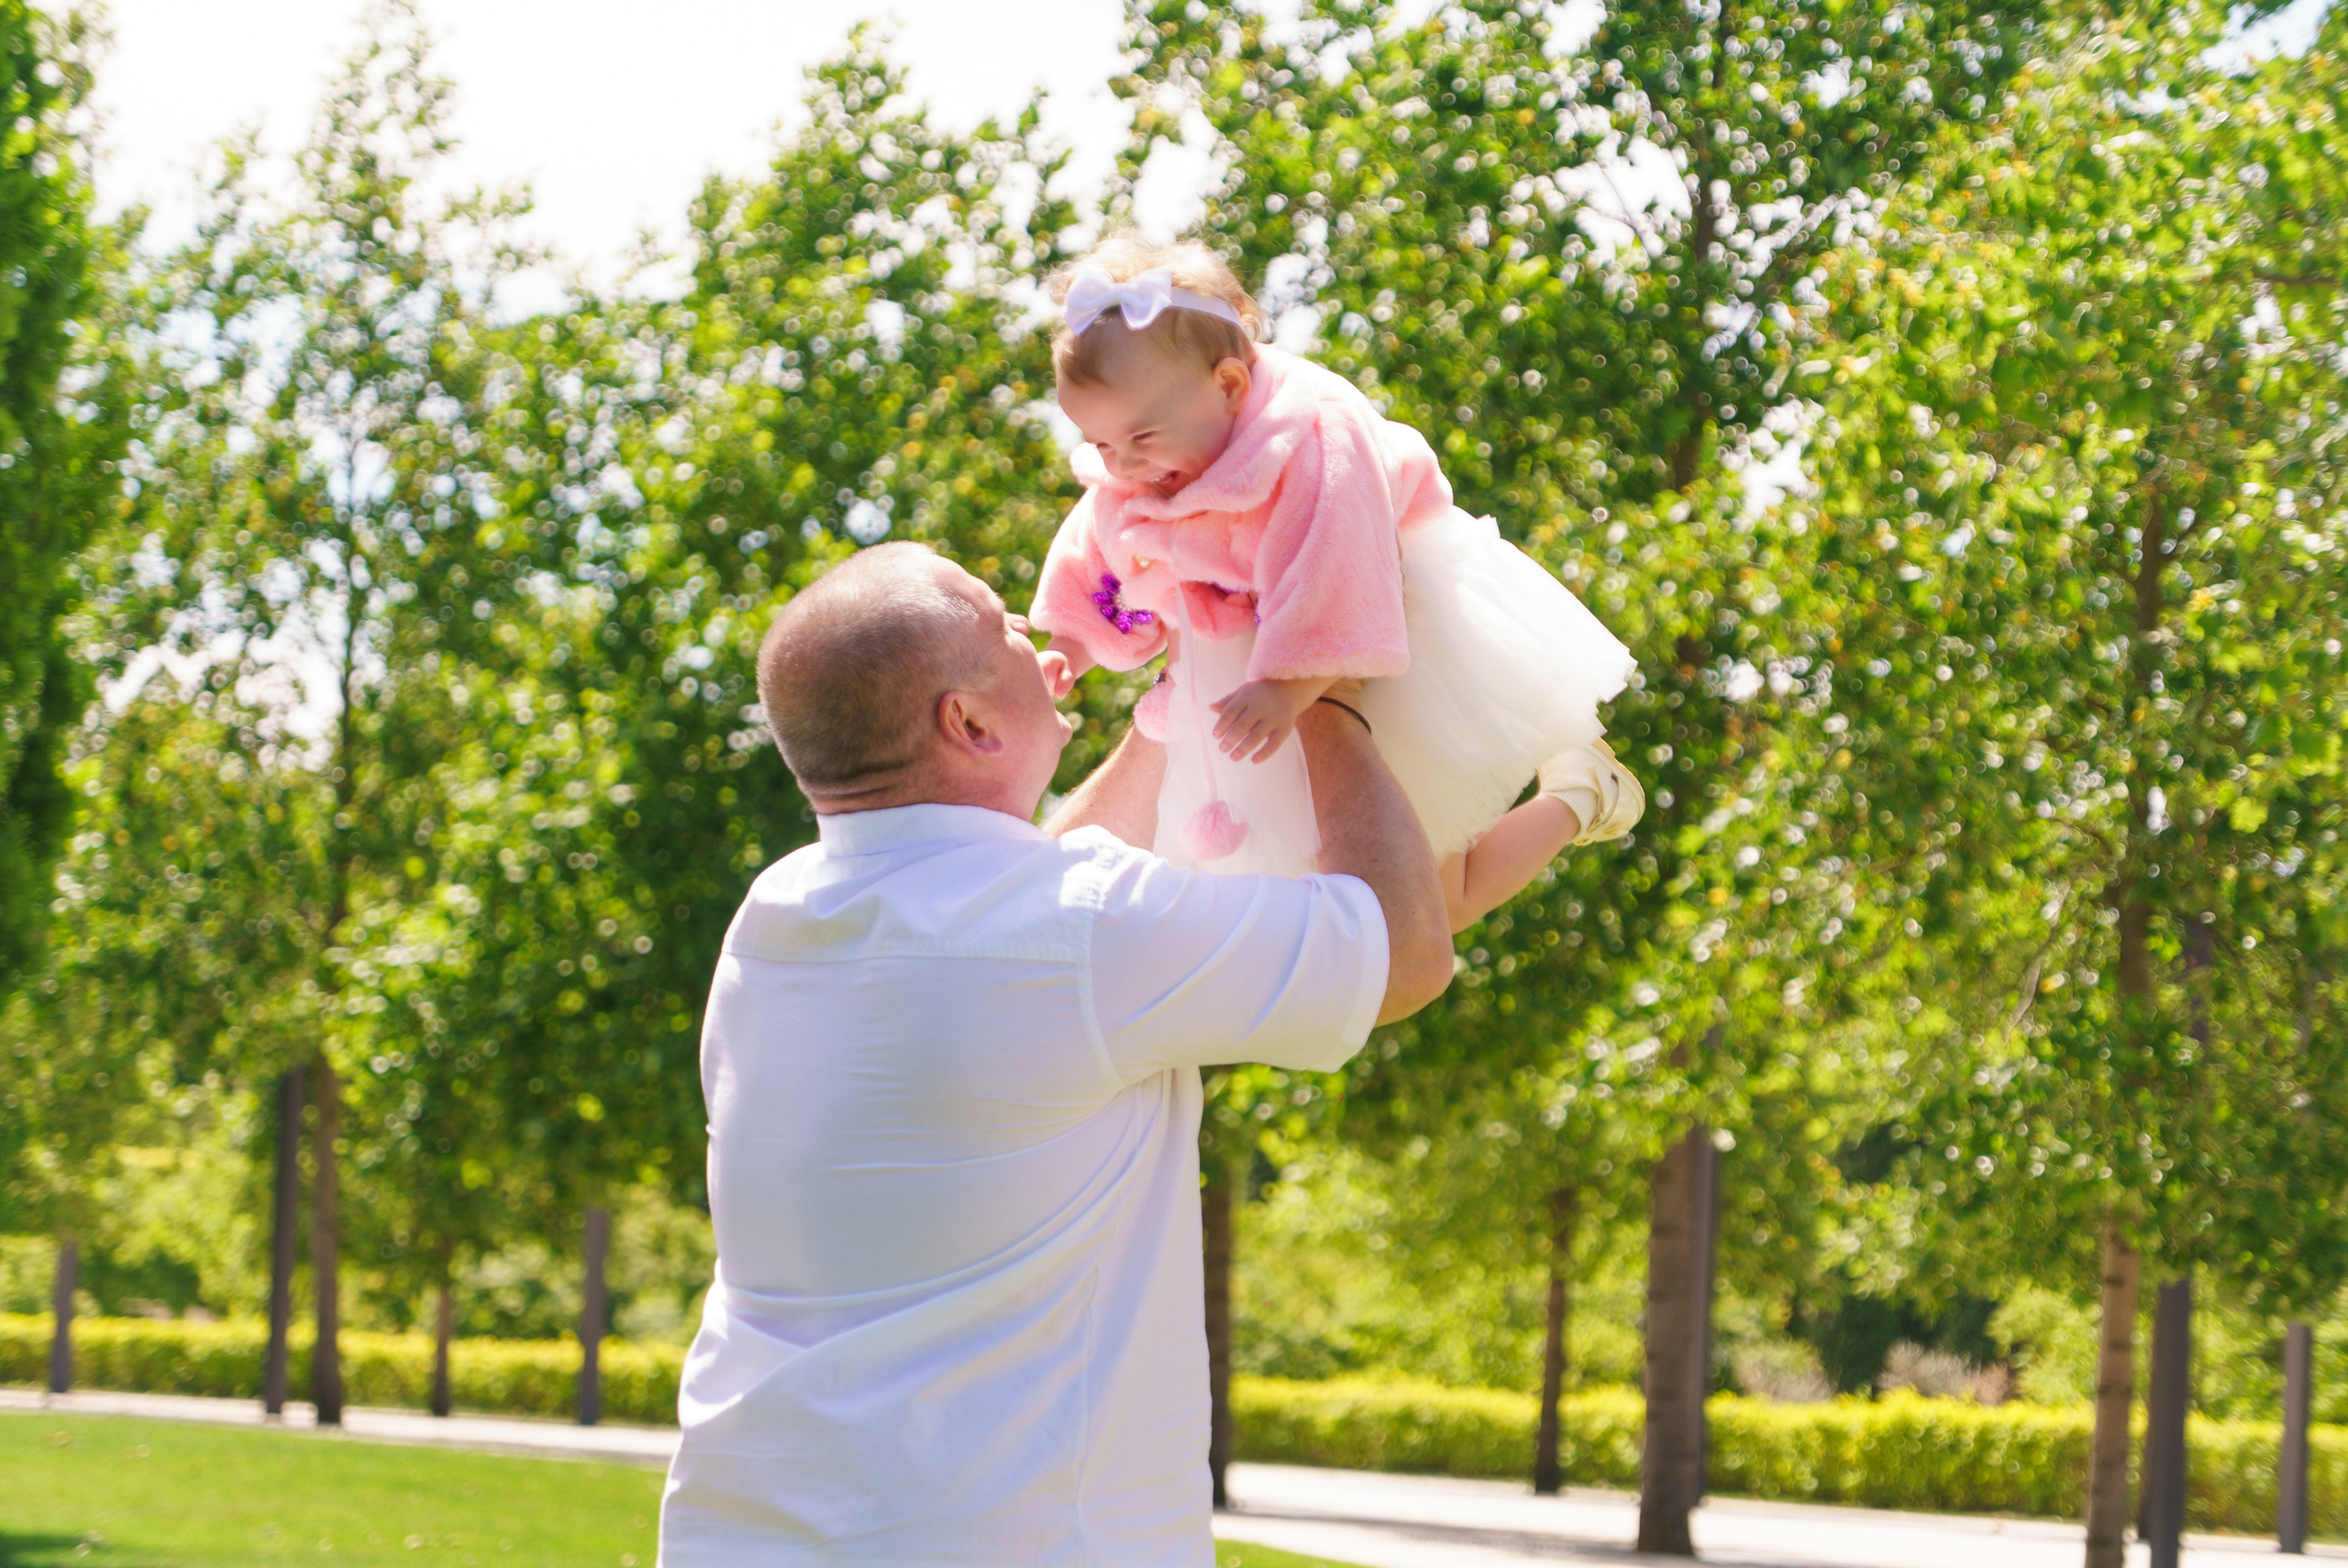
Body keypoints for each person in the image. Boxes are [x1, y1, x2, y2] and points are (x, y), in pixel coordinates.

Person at [657, 541, 1455, 1566]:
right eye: (1007, 631)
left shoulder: (773, 919)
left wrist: (1175, 715)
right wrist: (1325, 686)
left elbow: (1040, 908)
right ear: (970, 721)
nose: (1043, 639)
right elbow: (1400, 954)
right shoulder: (1076, 933)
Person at [1032, 235, 1646, 932]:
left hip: (1373, 639)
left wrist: (1291, 685)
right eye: (1101, 443)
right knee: (1343, 893)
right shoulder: (1140, 460)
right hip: (1258, 664)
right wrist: (1074, 645)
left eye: (1140, 438)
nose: (1123, 463)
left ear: (1228, 385)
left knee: (1427, 906)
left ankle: (1581, 795)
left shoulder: (1315, 430)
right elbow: (1101, 542)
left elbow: (1339, 560)